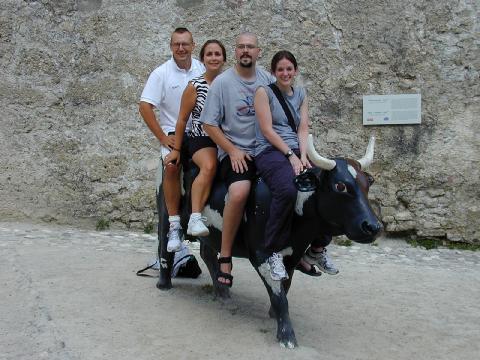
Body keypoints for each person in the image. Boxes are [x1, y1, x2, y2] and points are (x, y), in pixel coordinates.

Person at [254, 50, 338, 280]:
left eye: (289, 69)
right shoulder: (264, 93)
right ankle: (273, 251)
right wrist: (291, 155)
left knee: (328, 187)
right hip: (269, 150)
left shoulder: (300, 93)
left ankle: (318, 247)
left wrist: (303, 155)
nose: (285, 73)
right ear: (273, 72)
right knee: (287, 190)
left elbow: (302, 128)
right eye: (280, 69)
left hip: (296, 149)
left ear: (295, 71)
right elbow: (267, 130)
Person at [200, 32, 274, 287]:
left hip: (265, 151)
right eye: (241, 47)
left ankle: (300, 248)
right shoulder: (222, 83)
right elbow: (209, 124)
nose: (245, 51)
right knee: (240, 192)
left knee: (297, 184)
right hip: (235, 151)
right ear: (236, 51)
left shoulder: (268, 79)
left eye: (250, 47)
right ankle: (226, 255)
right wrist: (231, 150)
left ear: (258, 51)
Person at [139, 27, 205, 253]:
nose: (181, 48)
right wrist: (161, 137)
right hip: (172, 132)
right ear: (170, 46)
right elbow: (145, 105)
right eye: (176, 44)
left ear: (193, 45)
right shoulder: (161, 73)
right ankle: (175, 226)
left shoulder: (201, 68)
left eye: (185, 43)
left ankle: (201, 218)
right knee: (171, 167)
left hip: (198, 132)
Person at [165, 40, 227, 236]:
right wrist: (176, 150)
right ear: (202, 59)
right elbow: (182, 120)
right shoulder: (195, 85)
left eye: (217, 54)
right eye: (209, 54)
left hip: (227, 139)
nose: (214, 58)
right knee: (209, 166)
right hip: (202, 138)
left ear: (224, 58)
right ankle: (195, 218)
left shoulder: (229, 83)